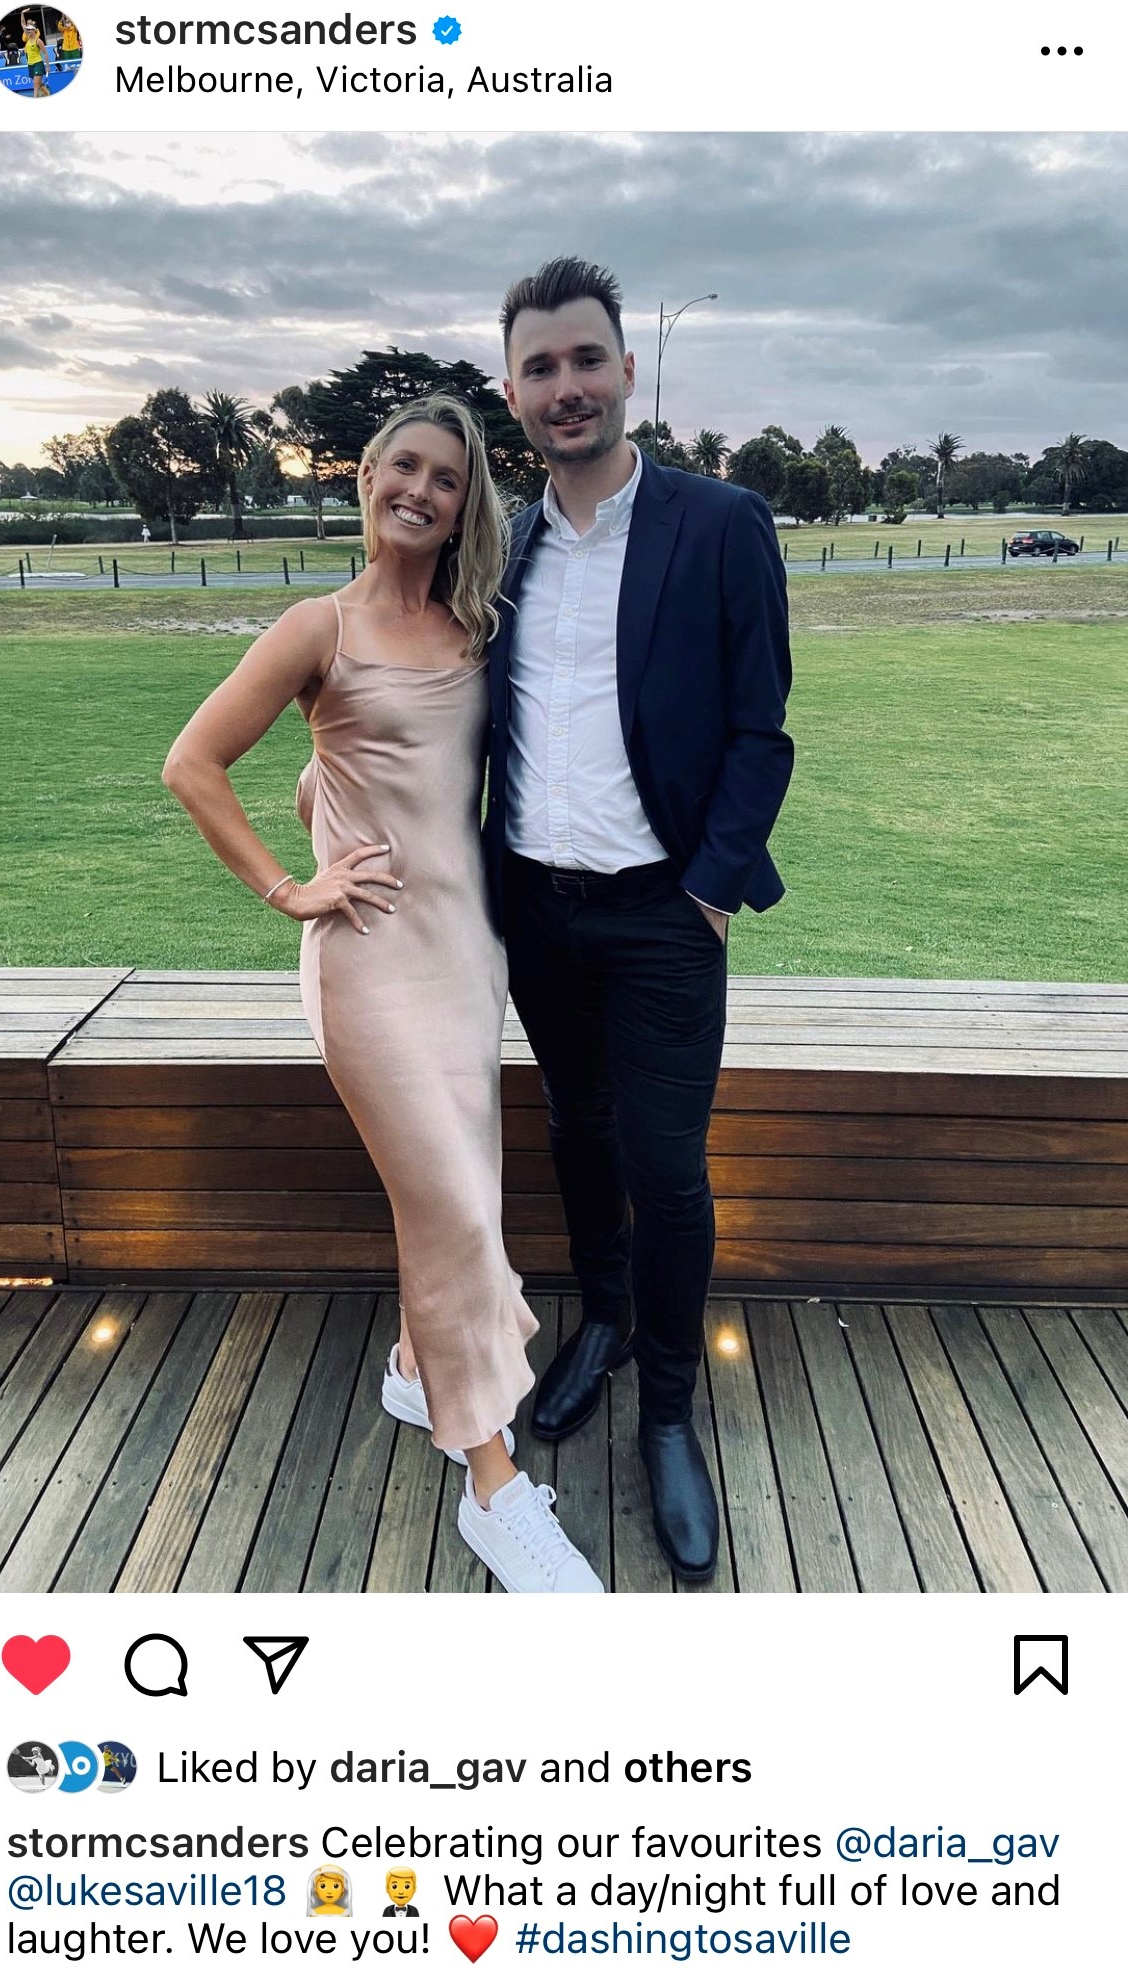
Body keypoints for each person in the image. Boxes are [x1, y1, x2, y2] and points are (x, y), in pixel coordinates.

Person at [162, 393, 602, 1595]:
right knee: (455, 1209)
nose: (421, 489)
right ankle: (494, 1488)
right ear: (365, 476)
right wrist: (288, 888)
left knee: (454, 1192)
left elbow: (386, 771)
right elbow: (193, 762)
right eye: (403, 466)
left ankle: (419, 1367)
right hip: (365, 961)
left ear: (465, 506)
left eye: (446, 479)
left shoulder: (477, 625)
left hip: (466, 959)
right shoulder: (319, 626)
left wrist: (328, 800)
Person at [486, 259, 794, 1581]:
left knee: (667, 1166)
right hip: (533, 908)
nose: (565, 386)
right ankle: (602, 1320)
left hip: (667, 910)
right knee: (576, 1124)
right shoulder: (503, 542)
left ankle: (668, 1408)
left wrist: (710, 890)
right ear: (513, 392)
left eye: (584, 359)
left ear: (624, 371)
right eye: (539, 367)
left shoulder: (719, 523)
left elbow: (760, 730)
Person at [20, 16, 50, 96]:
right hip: (30, 64)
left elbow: (45, 53)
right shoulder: (28, 37)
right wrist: (22, 13)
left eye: (30, 29)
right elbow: (23, 23)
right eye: (27, 29)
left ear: (34, 30)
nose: (28, 31)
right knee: (39, 84)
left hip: (38, 64)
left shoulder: (38, 41)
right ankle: (47, 95)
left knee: (35, 86)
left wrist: (47, 67)